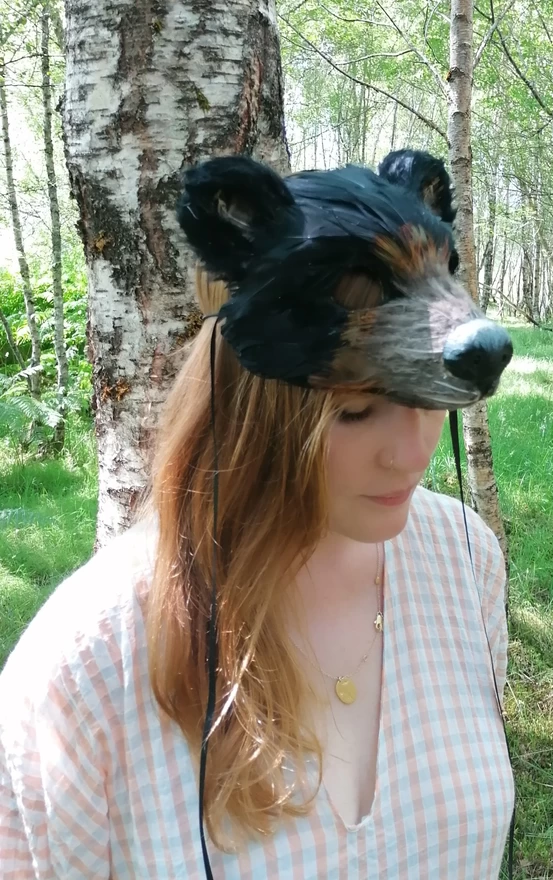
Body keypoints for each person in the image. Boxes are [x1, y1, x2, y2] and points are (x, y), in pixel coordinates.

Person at [0, 150, 515, 879]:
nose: (410, 454)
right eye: (357, 410)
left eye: (434, 399)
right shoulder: (84, 672)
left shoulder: (466, 561)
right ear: (252, 416)